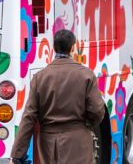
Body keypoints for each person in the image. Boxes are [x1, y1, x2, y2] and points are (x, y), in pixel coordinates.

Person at [10, 29, 105, 164]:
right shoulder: (86, 75)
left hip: (48, 146)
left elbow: (29, 117)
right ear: (73, 47)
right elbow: (97, 111)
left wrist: (17, 154)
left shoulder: (39, 78)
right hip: (79, 144)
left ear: (54, 48)